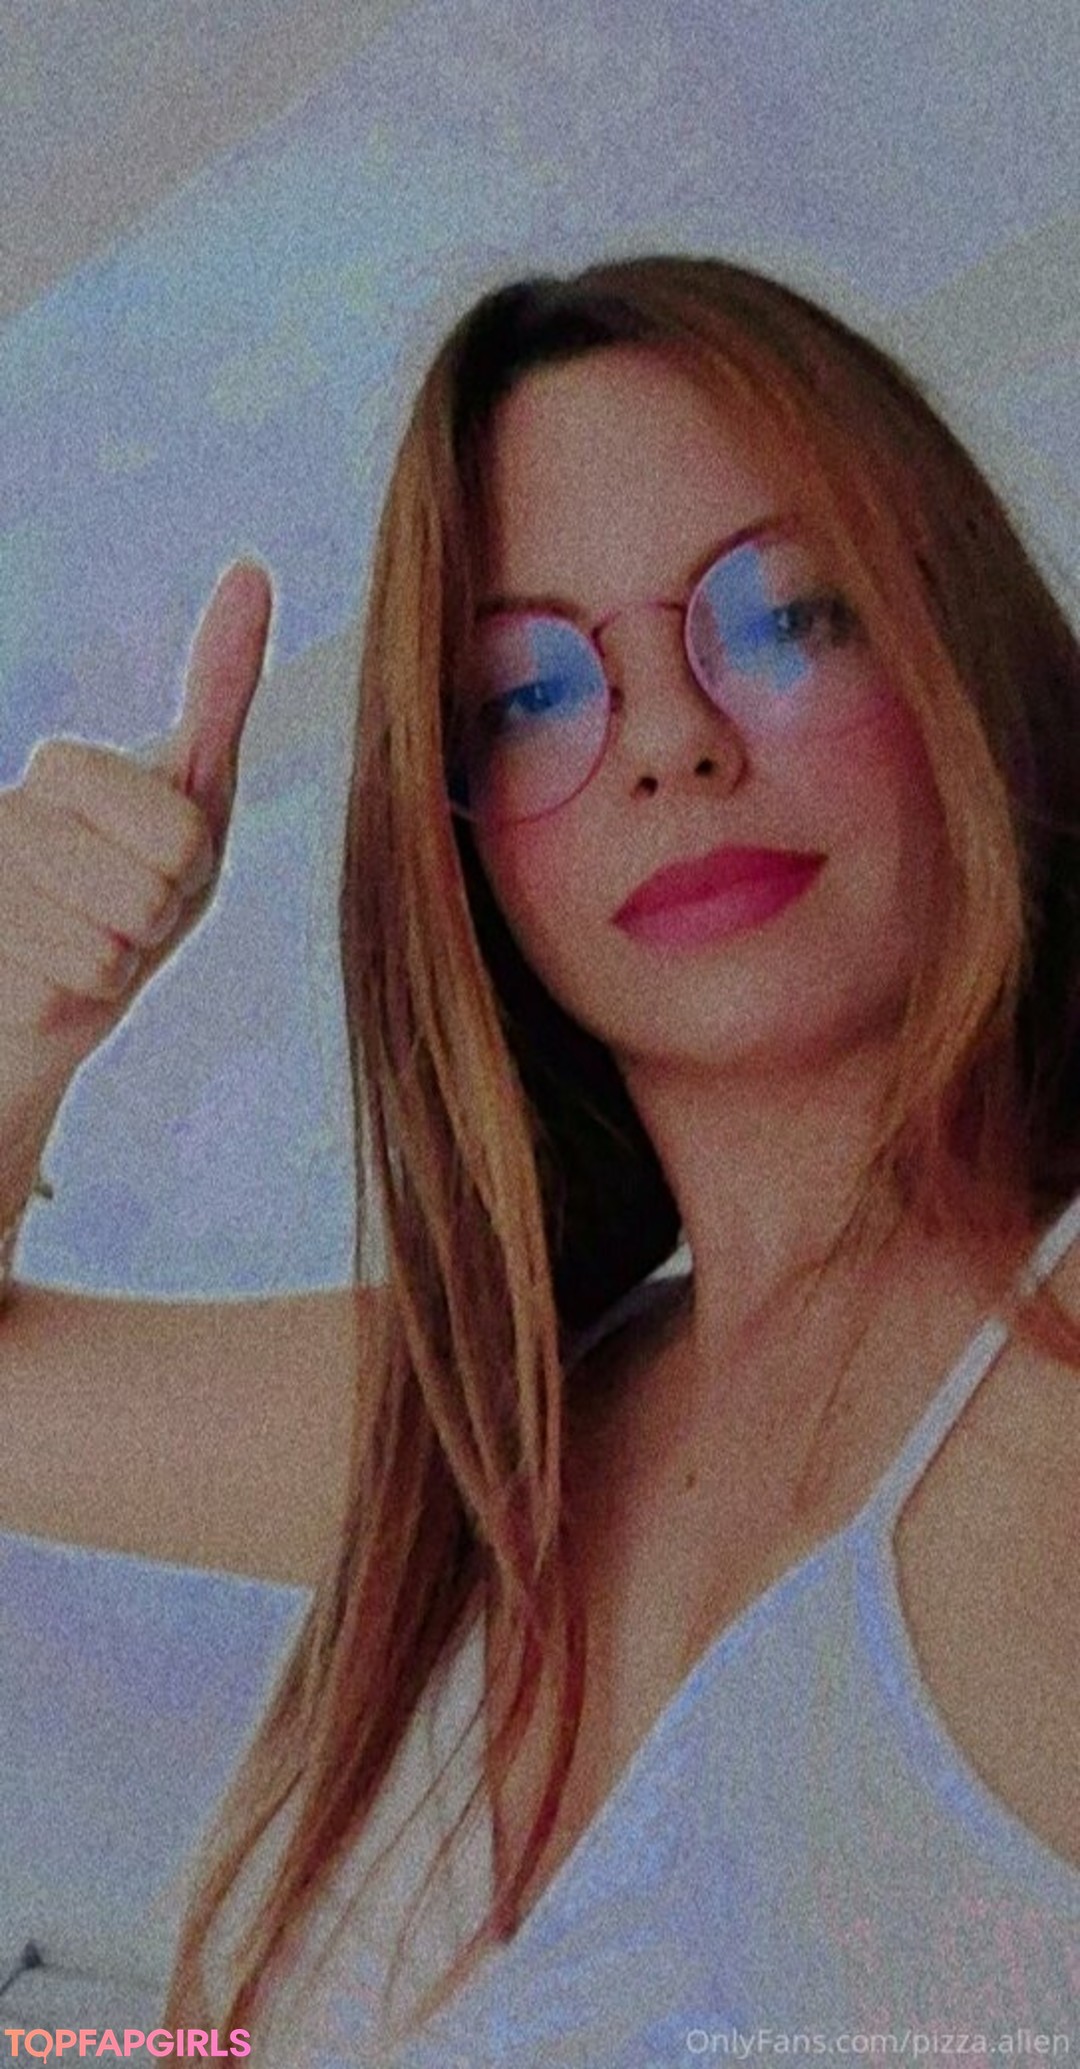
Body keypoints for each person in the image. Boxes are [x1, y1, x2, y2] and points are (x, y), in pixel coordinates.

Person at [0, 254, 1077, 2063]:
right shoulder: (481, 1424)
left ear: (951, 645)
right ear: (462, 837)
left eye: (786, 619)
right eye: (528, 693)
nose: (671, 739)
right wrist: (15, 1039)